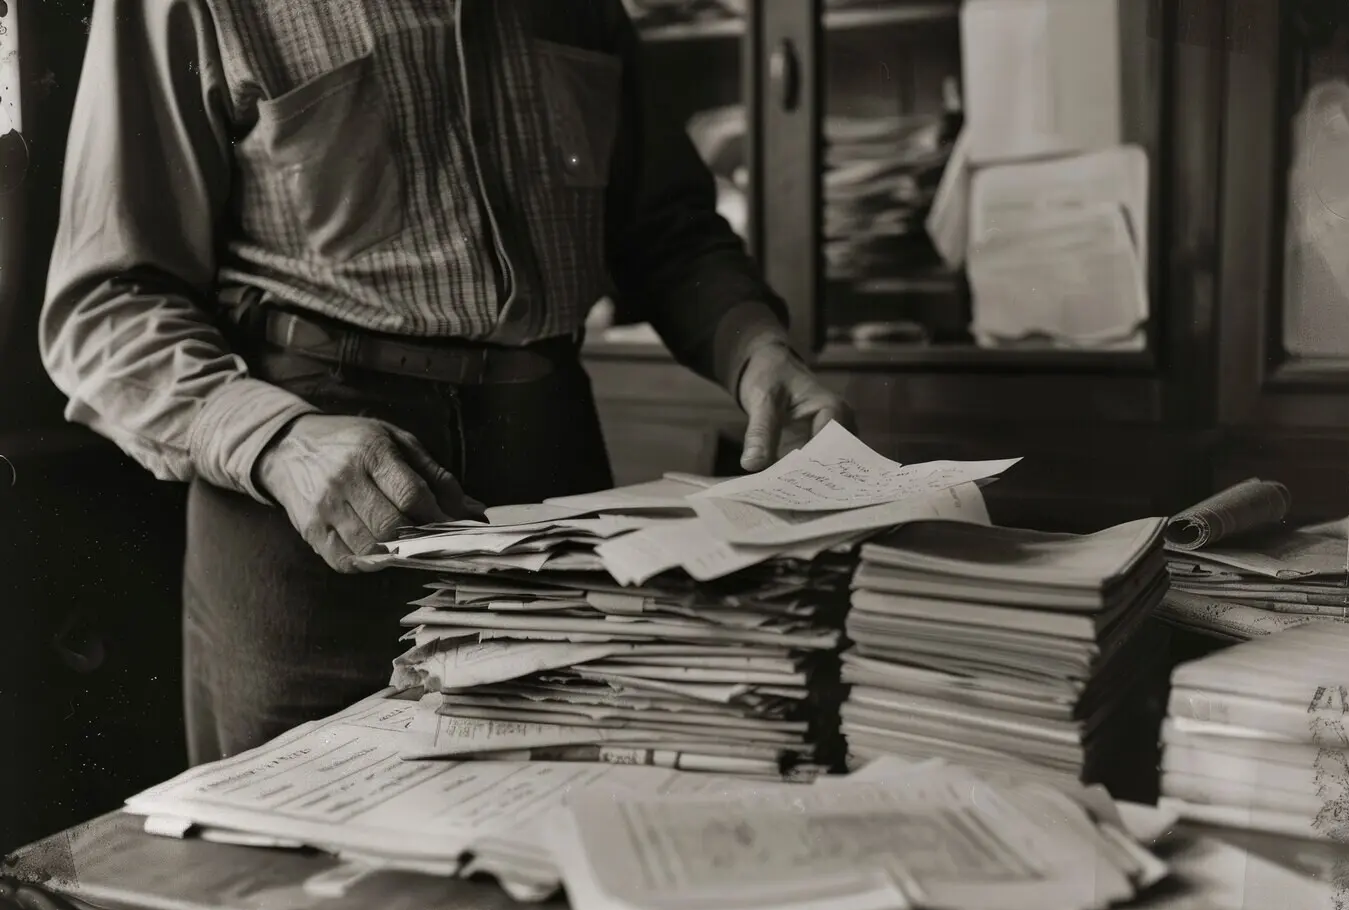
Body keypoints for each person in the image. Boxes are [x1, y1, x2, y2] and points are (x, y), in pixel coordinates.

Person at [40, 0, 852, 764]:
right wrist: (280, 442)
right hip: (311, 501)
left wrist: (753, 346)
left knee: (559, 840)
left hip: (551, 479)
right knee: (301, 886)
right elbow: (105, 304)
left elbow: (664, 226)